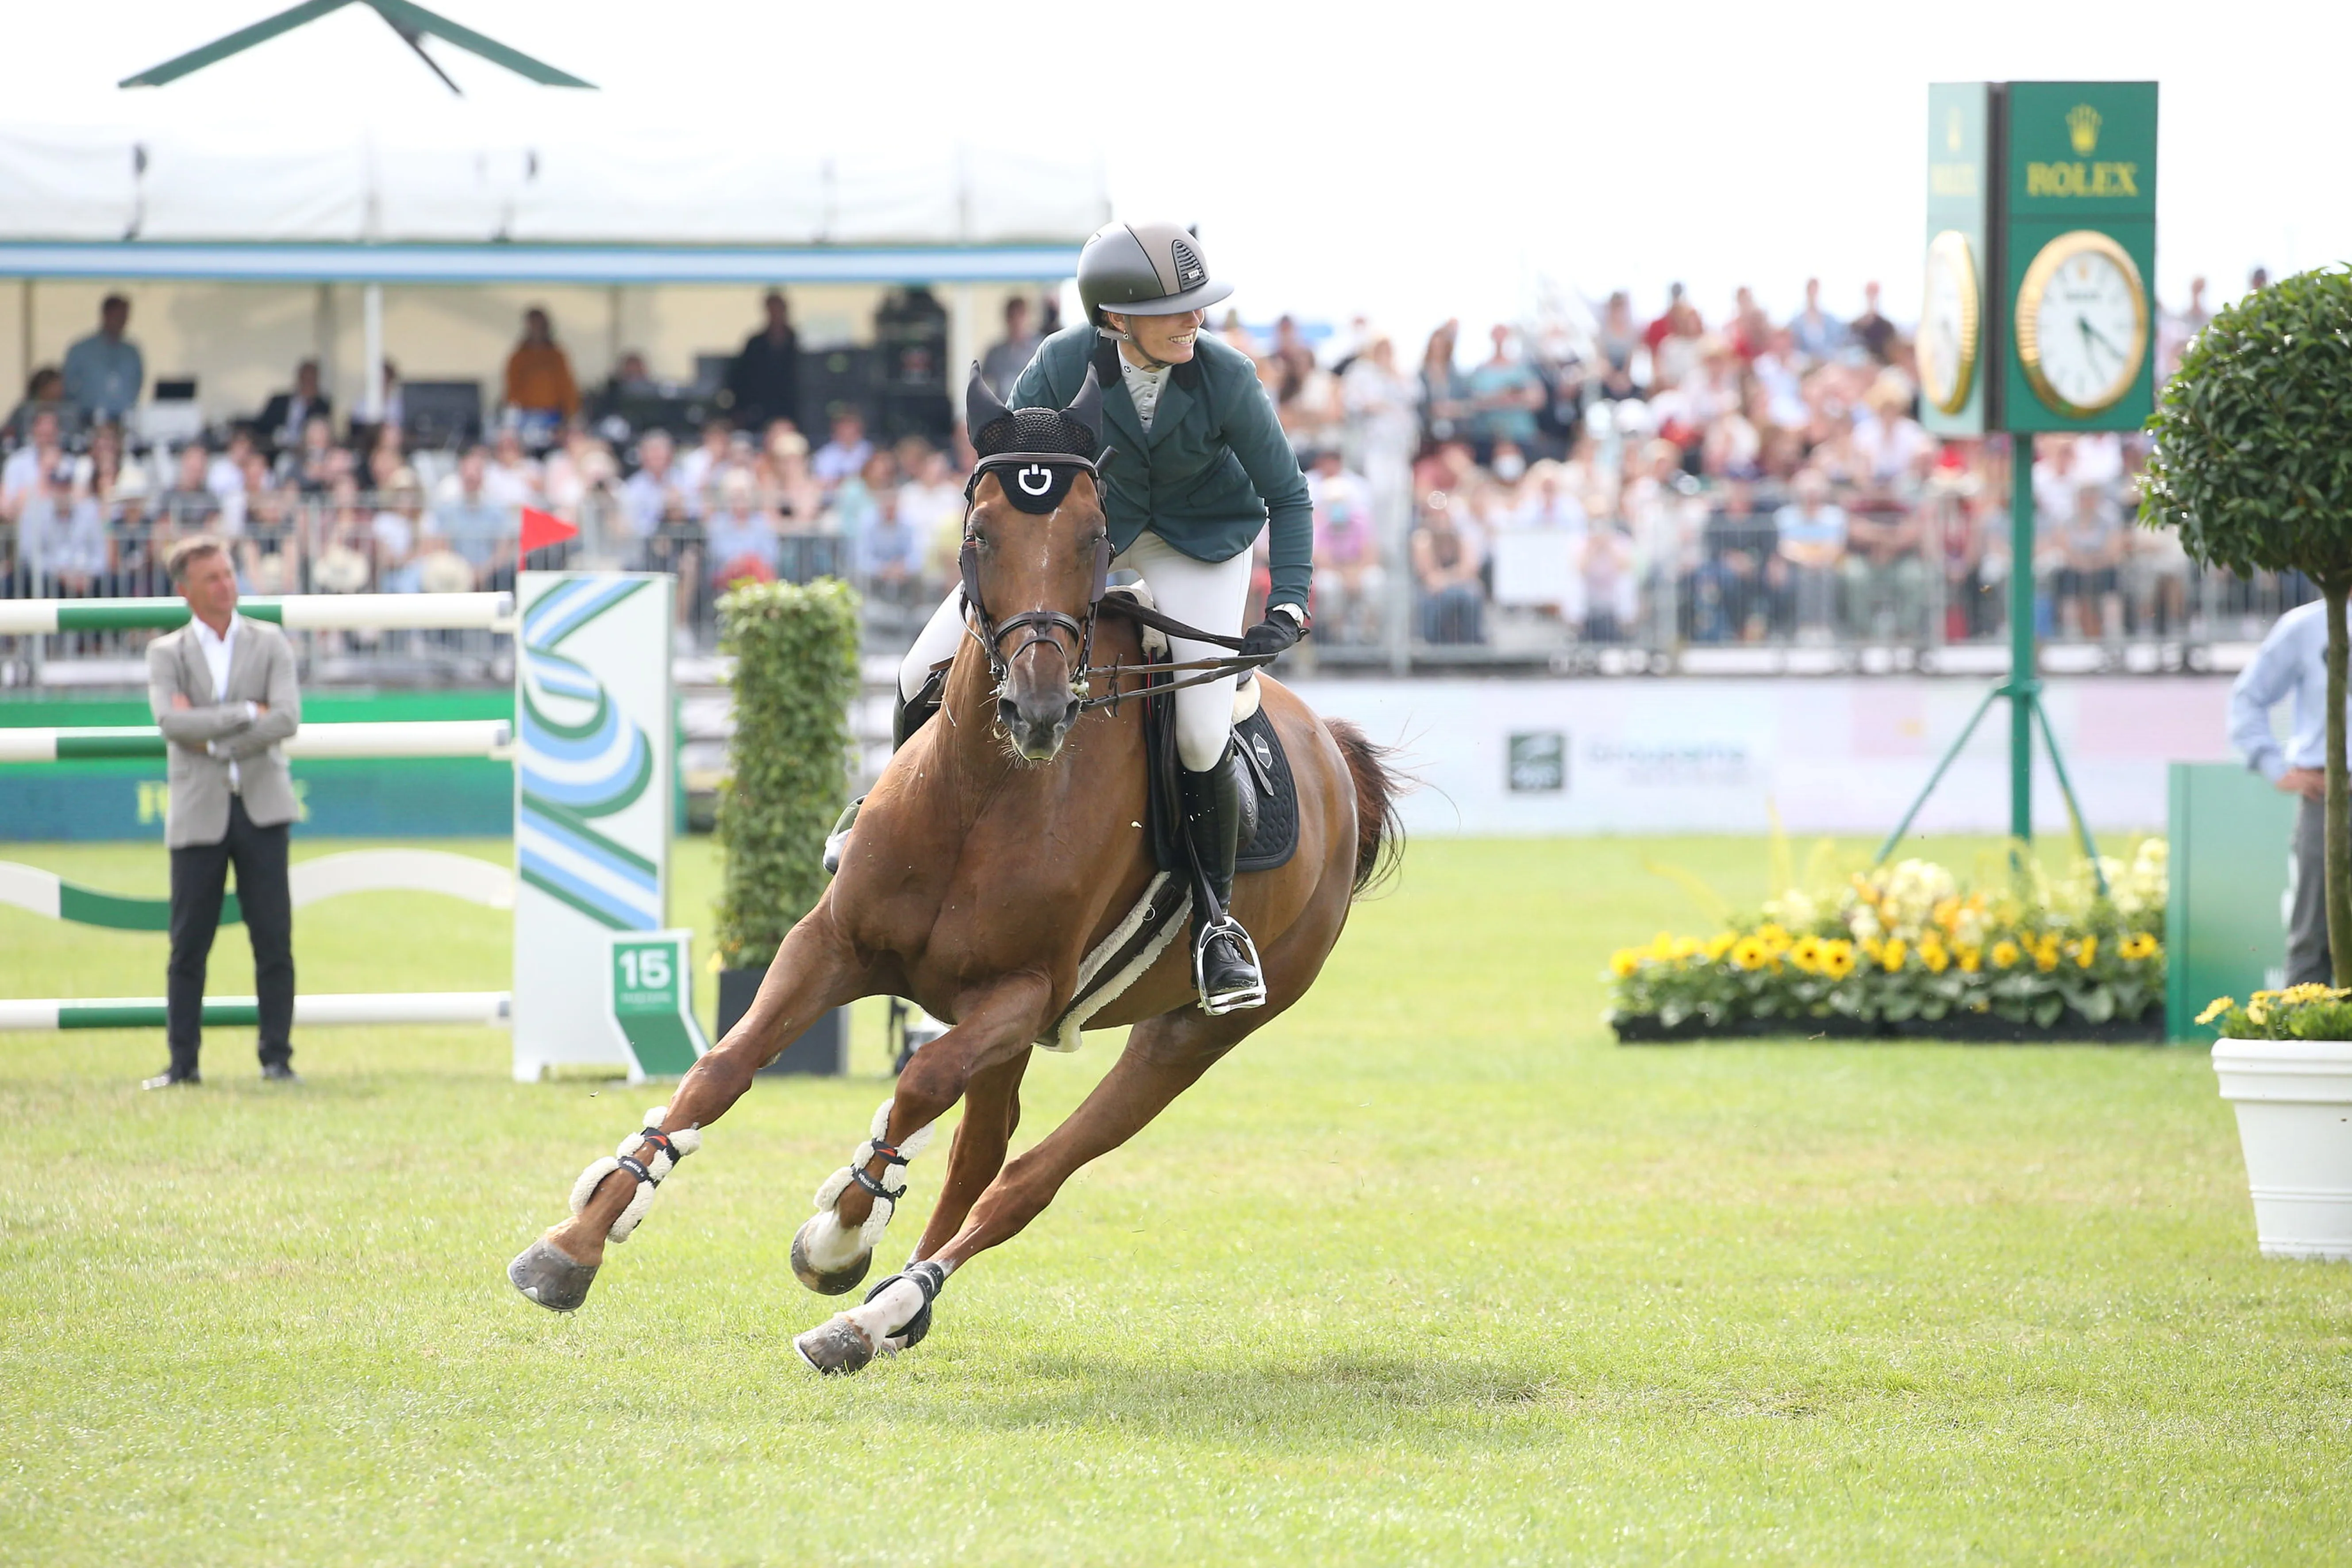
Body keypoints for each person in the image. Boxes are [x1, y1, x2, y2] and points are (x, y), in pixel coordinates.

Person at [855, 220, 1311, 1014]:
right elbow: (1001, 480)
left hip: (1201, 545)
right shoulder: (1061, 364)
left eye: (1196, 305)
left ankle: (1216, 924)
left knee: (1201, 732)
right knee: (916, 669)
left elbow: (1289, 495)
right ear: (1116, 318)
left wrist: (1290, 601)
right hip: (1096, 538)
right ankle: (889, 835)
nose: (1195, 319)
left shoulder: (1227, 376)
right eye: (1174, 309)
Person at [143, 536, 302, 1088]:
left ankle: (277, 1059)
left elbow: (286, 718)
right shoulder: (165, 653)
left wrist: (210, 736)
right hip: (198, 813)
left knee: (274, 941)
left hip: (263, 809)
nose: (226, 585)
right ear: (186, 591)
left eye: (229, 573)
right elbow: (171, 724)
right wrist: (245, 714)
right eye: (212, 578)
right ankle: (182, 1064)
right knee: (188, 945)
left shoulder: (270, 640)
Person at [2230, 600, 2342, 985]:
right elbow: (2248, 697)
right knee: (2312, 936)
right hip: (2325, 797)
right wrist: (2274, 767)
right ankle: (2304, 1022)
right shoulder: (2306, 625)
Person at [63, 294, 143, 425]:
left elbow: (138, 383)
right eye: (117, 316)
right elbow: (68, 386)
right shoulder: (81, 350)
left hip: (123, 421)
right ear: (105, 315)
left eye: (124, 316)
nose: (121, 321)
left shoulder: (132, 353)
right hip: (88, 419)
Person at [726, 291, 801, 432]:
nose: (776, 314)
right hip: (759, 410)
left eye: (779, 310)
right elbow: (741, 378)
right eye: (772, 310)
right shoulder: (755, 344)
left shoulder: (797, 342)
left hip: (790, 409)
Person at [503, 307, 579, 430]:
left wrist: (571, 414)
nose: (536, 328)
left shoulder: (557, 356)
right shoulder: (519, 357)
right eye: (533, 324)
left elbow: (567, 387)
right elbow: (513, 389)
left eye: (539, 324)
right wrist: (511, 418)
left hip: (554, 416)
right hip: (525, 417)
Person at [258, 359, 332, 450]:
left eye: (311, 379)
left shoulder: (322, 405)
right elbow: (262, 426)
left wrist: (312, 402)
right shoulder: (278, 401)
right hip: (275, 449)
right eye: (305, 378)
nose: (308, 382)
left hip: (304, 450)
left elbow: (321, 432)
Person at [979, 296, 1043, 399]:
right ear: (1007, 319)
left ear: (1028, 318)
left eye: (1021, 316)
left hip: (1032, 406)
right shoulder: (995, 353)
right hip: (1003, 406)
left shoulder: (1040, 350)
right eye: (1013, 316)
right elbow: (983, 384)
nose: (1017, 322)